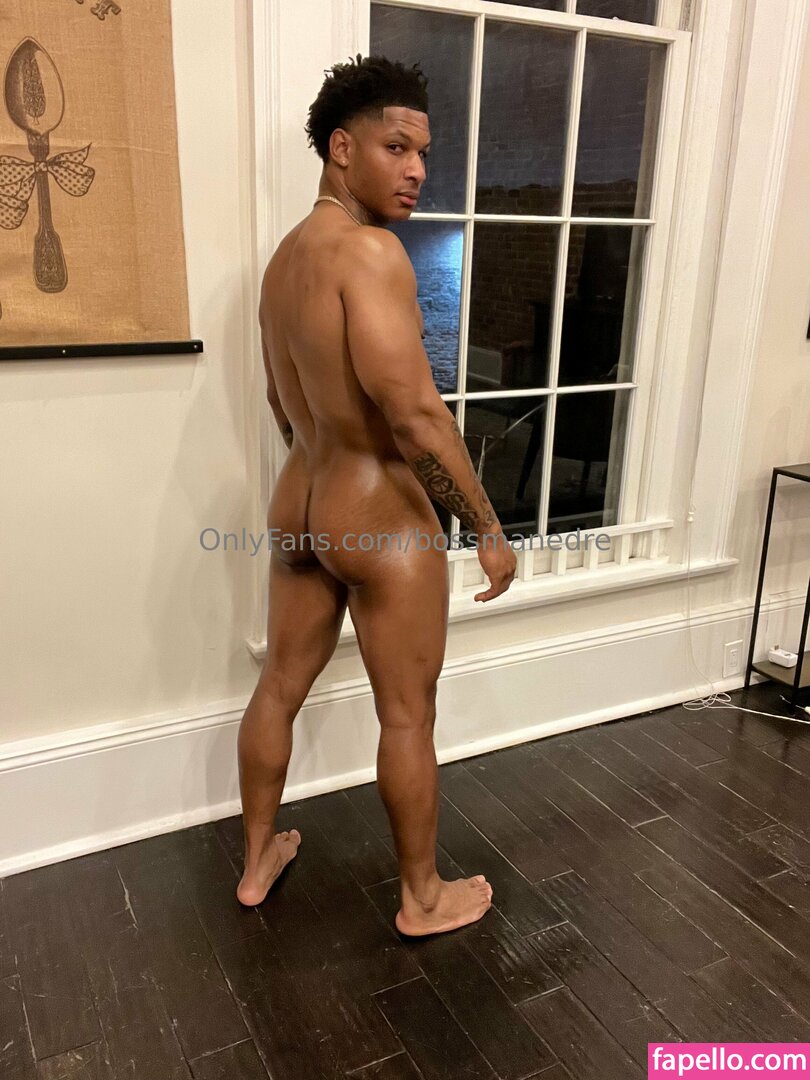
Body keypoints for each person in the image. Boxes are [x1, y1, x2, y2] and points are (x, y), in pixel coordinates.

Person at [236, 54, 516, 936]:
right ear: (342, 147)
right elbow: (415, 414)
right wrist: (485, 524)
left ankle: (256, 861)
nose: (417, 169)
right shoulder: (370, 252)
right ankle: (422, 897)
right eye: (397, 147)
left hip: (299, 501)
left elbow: (282, 403)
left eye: (423, 152)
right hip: (378, 515)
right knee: (406, 715)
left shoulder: (284, 262)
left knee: (279, 686)